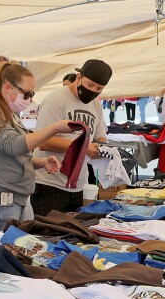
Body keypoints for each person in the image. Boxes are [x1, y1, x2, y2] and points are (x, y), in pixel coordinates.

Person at [0, 63, 70, 232]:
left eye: (32, 94)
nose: (29, 99)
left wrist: (41, 162)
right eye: (27, 93)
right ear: (8, 87)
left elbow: (8, 156)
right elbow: (11, 145)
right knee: (0, 247)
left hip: (10, 199)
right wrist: (55, 128)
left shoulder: (5, 110)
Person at [31, 59, 112, 216]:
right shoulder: (56, 99)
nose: (93, 91)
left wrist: (104, 150)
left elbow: (101, 137)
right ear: (79, 77)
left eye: (99, 88)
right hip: (50, 183)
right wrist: (84, 148)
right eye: (90, 85)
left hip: (79, 184)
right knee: (48, 230)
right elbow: (43, 141)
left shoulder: (96, 104)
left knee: (74, 230)